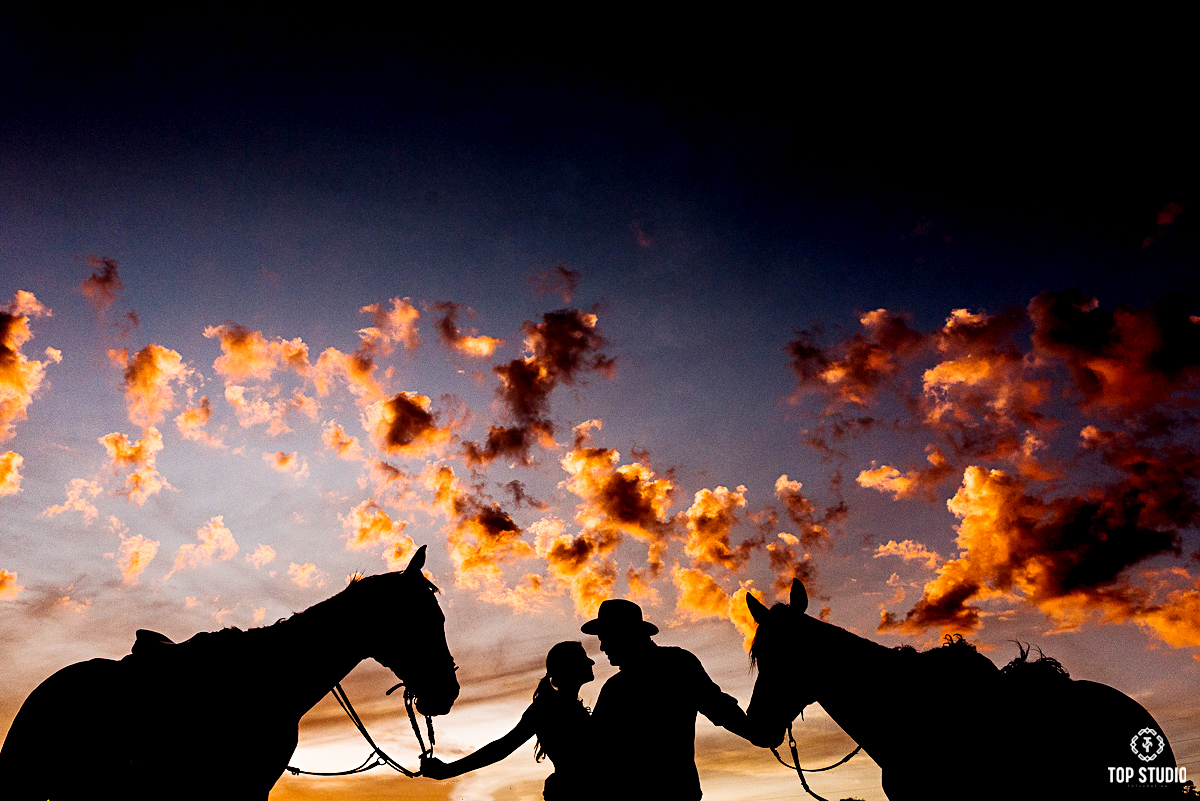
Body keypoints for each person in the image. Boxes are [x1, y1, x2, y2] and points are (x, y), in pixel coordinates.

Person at [582, 598, 754, 800]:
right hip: (675, 791)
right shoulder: (677, 663)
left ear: (624, 634)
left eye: (606, 638)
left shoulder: (617, 687)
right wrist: (755, 732)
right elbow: (719, 707)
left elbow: (593, 749)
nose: (602, 647)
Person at [421, 641, 597, 801]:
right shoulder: (547, 707)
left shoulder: (564, 706)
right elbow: (502, 747)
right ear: (569, 666)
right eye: (583, 658)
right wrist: (448, 770)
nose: (591, 662)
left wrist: (447, 771)